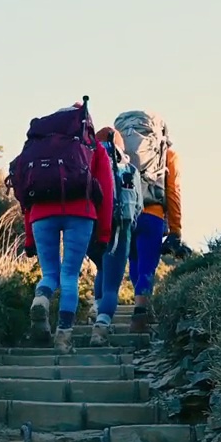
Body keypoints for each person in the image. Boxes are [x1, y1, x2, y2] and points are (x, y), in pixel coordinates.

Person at [20, 102, 115, 353]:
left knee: (50, 273)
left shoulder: (38, 145)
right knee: (70, 274)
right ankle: (63, 336)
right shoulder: (92, 147)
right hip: (80, 212)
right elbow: (106, 194)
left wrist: (29, 238)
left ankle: (41, 298)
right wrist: (104, 234)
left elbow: (25, 195)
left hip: (41, 213)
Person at [89, 126, 137, 346]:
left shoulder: (90, 163)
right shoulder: (130, 169)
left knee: (101, 268)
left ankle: (97, 309)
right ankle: (102, 324)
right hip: (120, 228)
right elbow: (138, 207)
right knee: (112, 284)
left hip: (92, 227)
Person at [128, 144, 182, 334]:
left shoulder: (123, 150)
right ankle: (141, 314)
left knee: (134, 263)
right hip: (153, 215)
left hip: (127, 214)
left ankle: (141, 306)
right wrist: (176, 229)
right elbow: (173, 191)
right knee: (147, 268)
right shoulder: (168, 155)